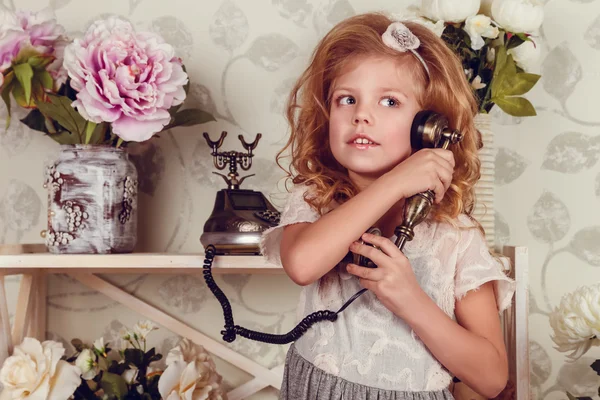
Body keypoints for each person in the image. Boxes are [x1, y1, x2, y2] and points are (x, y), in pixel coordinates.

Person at [260, 12, 515, 400]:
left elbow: (492, 376)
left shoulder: (456, 236)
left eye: (389, 101)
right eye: (346, 99)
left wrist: (411, 300)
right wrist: (396, 182)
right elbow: (302, 264)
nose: (361, 114)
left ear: (429, 125)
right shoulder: (317, 199)